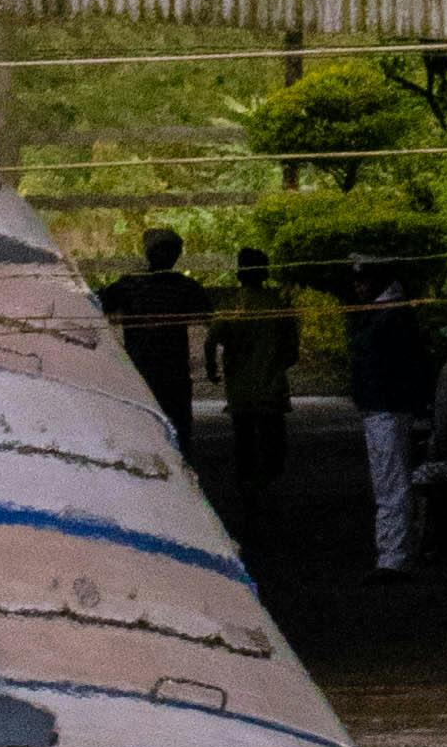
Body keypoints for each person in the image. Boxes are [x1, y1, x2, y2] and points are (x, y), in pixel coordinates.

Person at [348, 273, 443, 578]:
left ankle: (394, 555)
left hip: (386, 407)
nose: (357, 287)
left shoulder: (388, 319)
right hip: (385, 406)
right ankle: (398, 550)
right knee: (393, 479)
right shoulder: (391, 316)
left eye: (363, 280)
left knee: (391, 481)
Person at [212, 245, 301, 533]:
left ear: (239, 274)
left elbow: (210, 341)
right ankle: (267, 494)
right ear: (265, 273)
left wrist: (213, 368)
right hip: (272, 391)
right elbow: (292, 352)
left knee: (245, 447)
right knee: (274, 450)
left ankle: (249, 498)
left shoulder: (230, 307)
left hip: (240, 393)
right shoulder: (278, 306)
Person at [93, 223, 204, 440]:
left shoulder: (130, 285)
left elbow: (97, 304)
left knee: (147, 430)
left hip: (145, 370)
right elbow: (206, 312)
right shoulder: (186, 287)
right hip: (172, 372)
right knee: (177, 429)